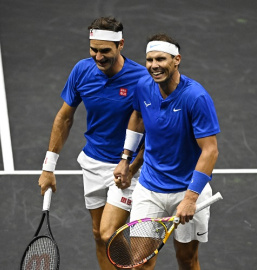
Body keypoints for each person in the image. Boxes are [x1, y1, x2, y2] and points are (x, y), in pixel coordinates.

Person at [38, 16, 148, 270]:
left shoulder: (141, 79)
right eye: (94, 50)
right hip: (93, 164)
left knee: (110, 234)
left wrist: (132, 167)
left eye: (105, 51)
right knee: (99, 235)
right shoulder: (82, 70)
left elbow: (151, 129)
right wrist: (48, 167)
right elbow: (64, 118)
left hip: (128, 168)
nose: (98, 57)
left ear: (121, 45)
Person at [113, 33, 220, 270]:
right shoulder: (143, 87)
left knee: (187, 260)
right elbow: (139, 117)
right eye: (149, 60)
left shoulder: (196, 97)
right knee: (139, 263)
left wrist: (191, 198)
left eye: (160, 59)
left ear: (176, 60)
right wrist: (126, 160)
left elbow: (210, 151)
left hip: (187, 189)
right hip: (149, 189)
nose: (154, 65)